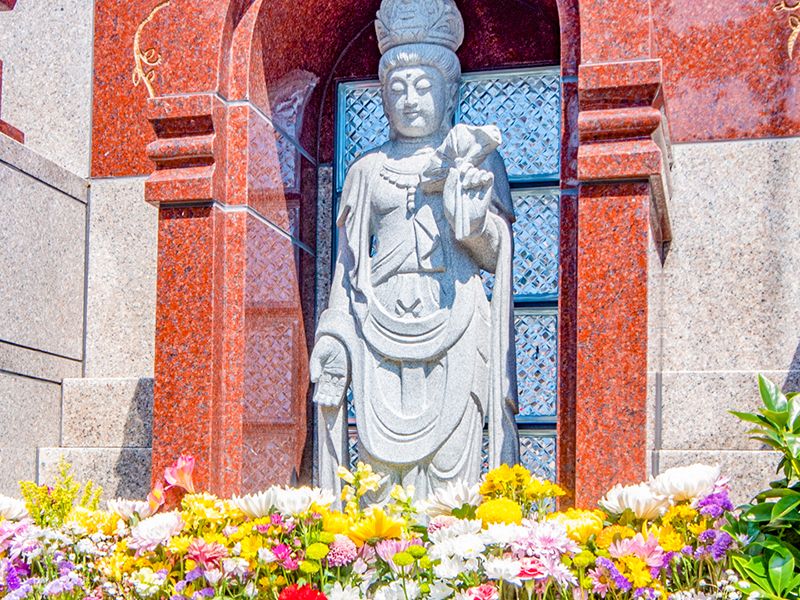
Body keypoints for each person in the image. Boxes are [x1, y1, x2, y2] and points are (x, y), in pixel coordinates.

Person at [311, 0, 518, 501]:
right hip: (378, 327)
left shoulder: (475, 162)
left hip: (458, 319)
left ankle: (464, 568)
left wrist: (468, 220)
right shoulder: (366, 171)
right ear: (382, 97)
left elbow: (497, 255)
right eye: (397, 89)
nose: (410, 100)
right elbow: (346, 268)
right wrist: (334, 335)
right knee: (380, 479)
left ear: (448, 95)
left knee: (454, 474)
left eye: (424, 87)